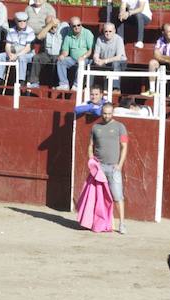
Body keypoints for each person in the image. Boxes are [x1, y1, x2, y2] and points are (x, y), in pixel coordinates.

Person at [89, 103, 129, 234]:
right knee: (99, 197)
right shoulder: (95, 127)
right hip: (99, 168)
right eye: (105, 113)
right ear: (101, 112)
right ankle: (103, 222)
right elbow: (91, 145)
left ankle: (122, 223)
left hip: (113, 167)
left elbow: (124, 146)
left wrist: (120, 165)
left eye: (109, 113)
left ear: (113, 113)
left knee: (117, 196)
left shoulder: (120, 127)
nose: (107, 116)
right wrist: (91, 161)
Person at [27, 15, 68, 88]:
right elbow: (39, 37)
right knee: (36, 57)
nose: (52, 27)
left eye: (52, 24)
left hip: (59, 54)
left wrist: (54, 23)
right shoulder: (46, 29)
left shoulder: (63, 26)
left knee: (56, 60)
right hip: (47, 54)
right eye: (48, 24)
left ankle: (55, 84)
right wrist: (49, 26)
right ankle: (34, 82)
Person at [0, 11, 35, 87]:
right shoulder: (11, 31)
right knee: (2, 55)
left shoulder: (30, 31)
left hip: (27, 54)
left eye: (24, 21)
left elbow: (27, 48)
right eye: (20, 21)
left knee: (22, 57)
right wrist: (9, 54)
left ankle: (21, 80)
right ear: (16, 21)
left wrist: (16, 55)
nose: (22, 23)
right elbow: (7, 45)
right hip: (13, 52)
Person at [56, 17, 95, 90]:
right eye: (74, 26)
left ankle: (77, 85)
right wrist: (62, 55)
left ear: (81, 24)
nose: (77, 27)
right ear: (70, 26)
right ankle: (64, 84)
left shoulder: (87, 33)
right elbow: (65, 51)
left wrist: (83, 57)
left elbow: (90, 50)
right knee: (61, 61)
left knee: (82, 62)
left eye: (78, 25)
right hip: (73, 59)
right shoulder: (68, 36)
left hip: (86, 59)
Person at [145, 23, 170, 96]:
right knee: (152, 62)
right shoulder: (160, 40)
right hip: (163, 62)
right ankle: (152, 90)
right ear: (163, 33)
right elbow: (156, 55)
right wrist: (166, 59)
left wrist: (161, 56)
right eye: (169, 32)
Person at [92, 23, 128, 91]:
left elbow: (118, 57)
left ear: (114, 31)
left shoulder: (119, 39)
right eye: (106, 31)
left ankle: (115, 88)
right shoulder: (99, 39)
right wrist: (96, 59)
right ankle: (90, 87)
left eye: (110, 31)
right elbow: (96, 53)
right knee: (91, 63)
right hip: (106, 62)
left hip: (120, 62)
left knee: (115, 63)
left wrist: (104, 61)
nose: (108, 33)